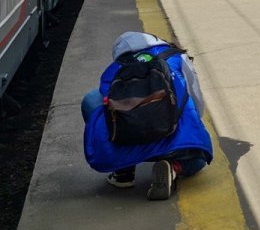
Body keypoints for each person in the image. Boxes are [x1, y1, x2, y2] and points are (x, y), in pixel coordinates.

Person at [82, 31, 212, 200]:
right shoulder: (177, 58)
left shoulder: (114, 71)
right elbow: (197, 104)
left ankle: (123, 172)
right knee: (197, 159)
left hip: (129, 138)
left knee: (91, 99)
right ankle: (173, 167)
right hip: (172, 138)